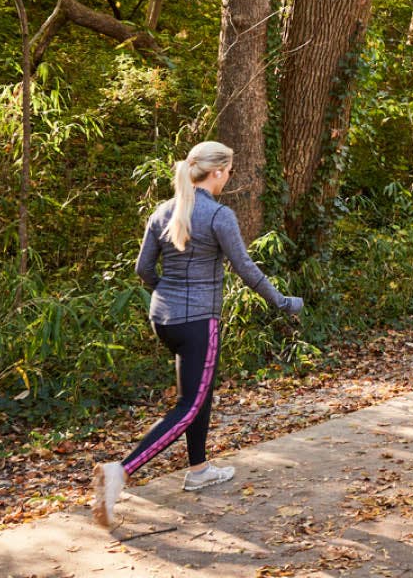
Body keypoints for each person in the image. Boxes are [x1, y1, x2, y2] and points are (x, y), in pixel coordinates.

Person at [91, 141, 303, 528]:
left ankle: (199, 469)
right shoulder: (218, 215)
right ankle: (119, 472)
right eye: (229, 171)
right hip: (198, 320)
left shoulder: (163, 212)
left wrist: (168, 293)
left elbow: (144, 270)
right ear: (217, 172)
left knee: (197, 393)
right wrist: (282, 302)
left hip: (165, 320)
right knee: (189, 406)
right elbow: (246, 269)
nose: (229, 177)